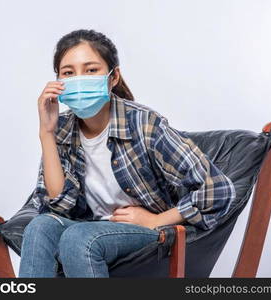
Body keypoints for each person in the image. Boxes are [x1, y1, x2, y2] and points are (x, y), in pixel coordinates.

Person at [18, 29, 236, 278]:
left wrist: (157, 220)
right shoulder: (61, 129)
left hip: (143, 233)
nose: (79, 79)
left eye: (91, 70)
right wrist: (46, 133)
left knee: (78, 238)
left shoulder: (144, 124)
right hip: (88, 227)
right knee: (40, 227)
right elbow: (58, 206)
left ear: (113, 77)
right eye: (68, 73)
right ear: (57, 82)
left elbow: (219, 190)